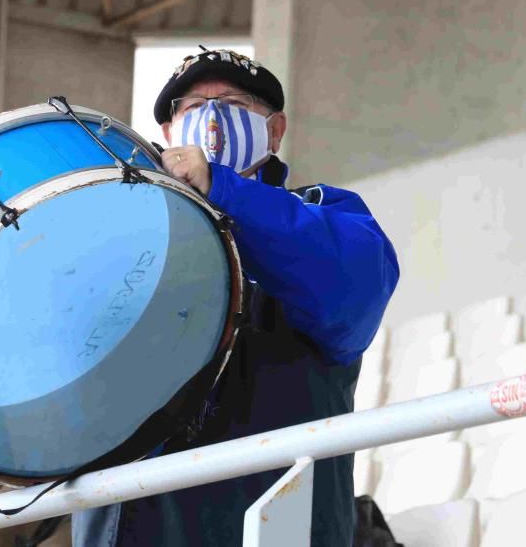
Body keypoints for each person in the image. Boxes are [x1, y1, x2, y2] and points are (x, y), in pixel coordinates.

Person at [72, 48, 400, 546]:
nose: (211, 119)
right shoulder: (126, 241)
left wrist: (223, 190)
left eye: (233, 101)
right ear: (167, 134)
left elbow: (350, 293)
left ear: (274, 130)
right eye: (191, 106)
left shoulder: (325, 213)